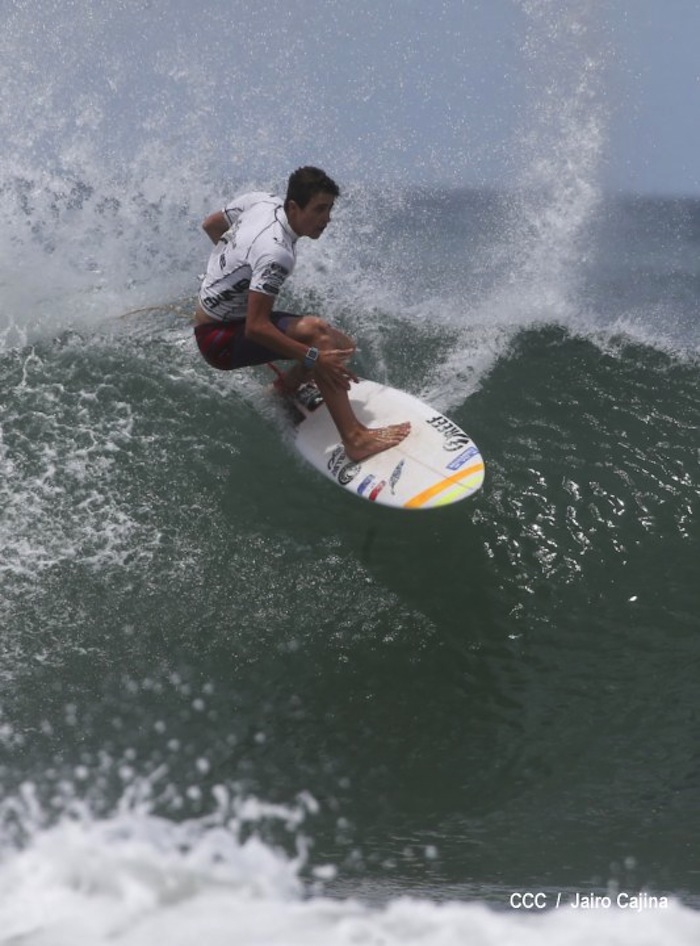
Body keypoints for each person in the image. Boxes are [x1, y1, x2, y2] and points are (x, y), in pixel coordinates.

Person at [193, 166, 410, 461]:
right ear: (294, 207)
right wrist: (313, 358)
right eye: (320, 209)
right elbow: (256, 328)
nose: (327, 218)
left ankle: (284, 389)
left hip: (223, 316)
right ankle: (355, 440)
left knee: (342, 345)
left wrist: (226, 278)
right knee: (319, 339)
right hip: (218, 340)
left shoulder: (261, 201)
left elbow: (211, 225)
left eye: (330, 209)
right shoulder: (276, 253)